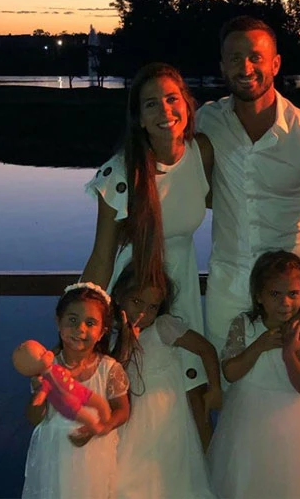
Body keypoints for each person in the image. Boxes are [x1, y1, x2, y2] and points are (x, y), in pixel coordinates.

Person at [196, 16, 300, 402]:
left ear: (275, 64)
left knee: (298, 401)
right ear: (222, 66)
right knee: (230, 401)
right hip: (228, 289)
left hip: (290, 297)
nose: (245, 68)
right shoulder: (206, 121)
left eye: (255, 57)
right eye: (234, 58)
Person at [81, 62, 214, 446]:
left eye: (172, 99)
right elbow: (102, 256)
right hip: (135, 292)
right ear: (139, 118)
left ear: (187, 105)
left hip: (182, 284)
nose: (165, 111)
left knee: (192, 396)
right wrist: (83, 321)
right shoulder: (121, 172)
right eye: (151, 104)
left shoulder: (202, 152)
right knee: (135, 399)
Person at [208, 250, 300, 498]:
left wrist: (289, 354)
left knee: (289, 482)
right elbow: (230, 373)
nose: (285, 302)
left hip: (291, 421)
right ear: (259, 296)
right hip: (247, 419)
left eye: (293, 294)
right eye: (275, 294)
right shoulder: (244, 324)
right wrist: (258, 346)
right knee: (248, 479)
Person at [111, 264, 221, 498]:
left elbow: (206, 349)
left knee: (169, 475)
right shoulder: (112, 335)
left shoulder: (163, 327)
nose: (143, 313)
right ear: (120, 296)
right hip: (132, 418)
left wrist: (215, 388)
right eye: (137, 302)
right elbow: (114, 373)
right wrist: (126, 342)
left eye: (152, 307)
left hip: (166, 415)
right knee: (128, 477)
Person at [21, 282, 130, 499]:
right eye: (72, 320)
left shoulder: (108, 369)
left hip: (94, 455)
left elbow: (122, 409)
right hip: (54, 454)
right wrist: (39, 395)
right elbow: (34, 418)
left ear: (102, 332)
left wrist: (102, 427)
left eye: (90, 323)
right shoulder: (47, 368)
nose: (80, 329)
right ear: (58, 322)